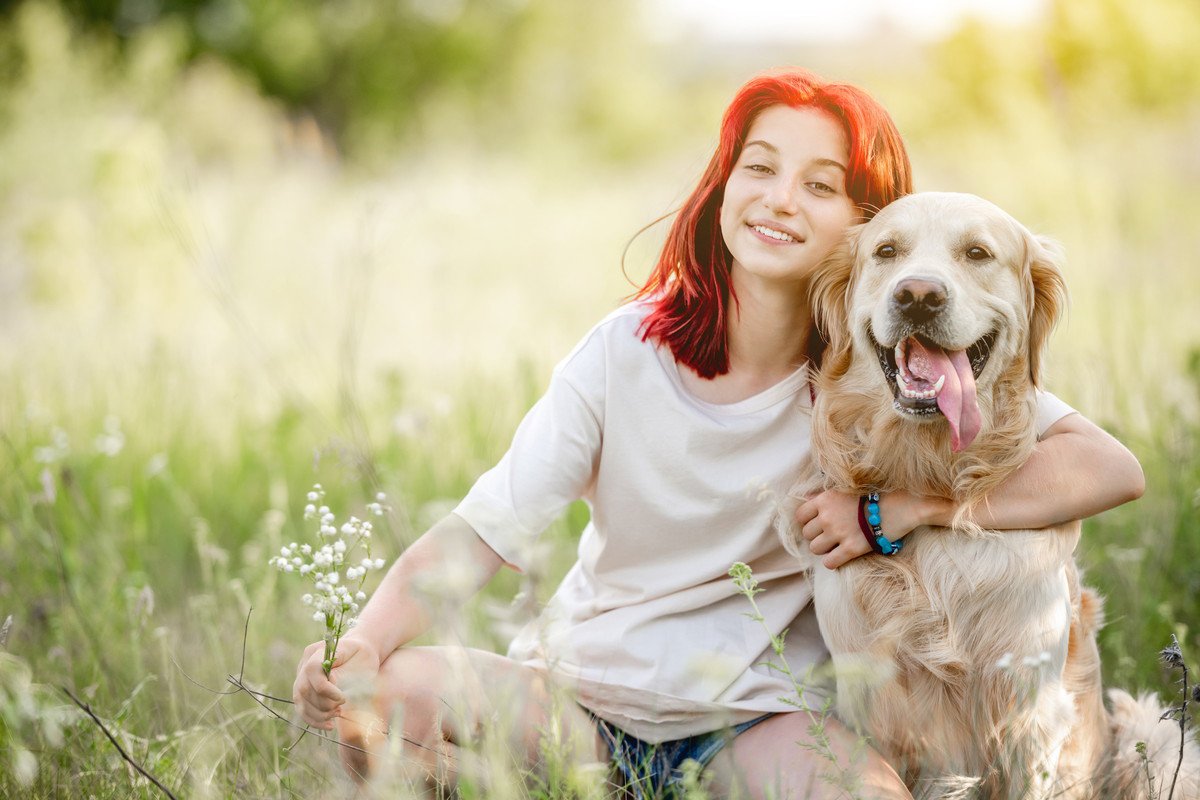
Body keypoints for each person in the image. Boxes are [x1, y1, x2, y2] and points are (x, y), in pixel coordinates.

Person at [292, 68, 1144, 799]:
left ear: (864, 224)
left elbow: (1105, 467)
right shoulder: (624, 353)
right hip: (580, 702)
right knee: (384, 694)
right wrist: (363, 639)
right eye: (759, 168)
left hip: (752, 726)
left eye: (820, 185)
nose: (779, 199)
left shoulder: (881, 377)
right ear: (722, 186)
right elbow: (485, 531)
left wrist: (895, 509)